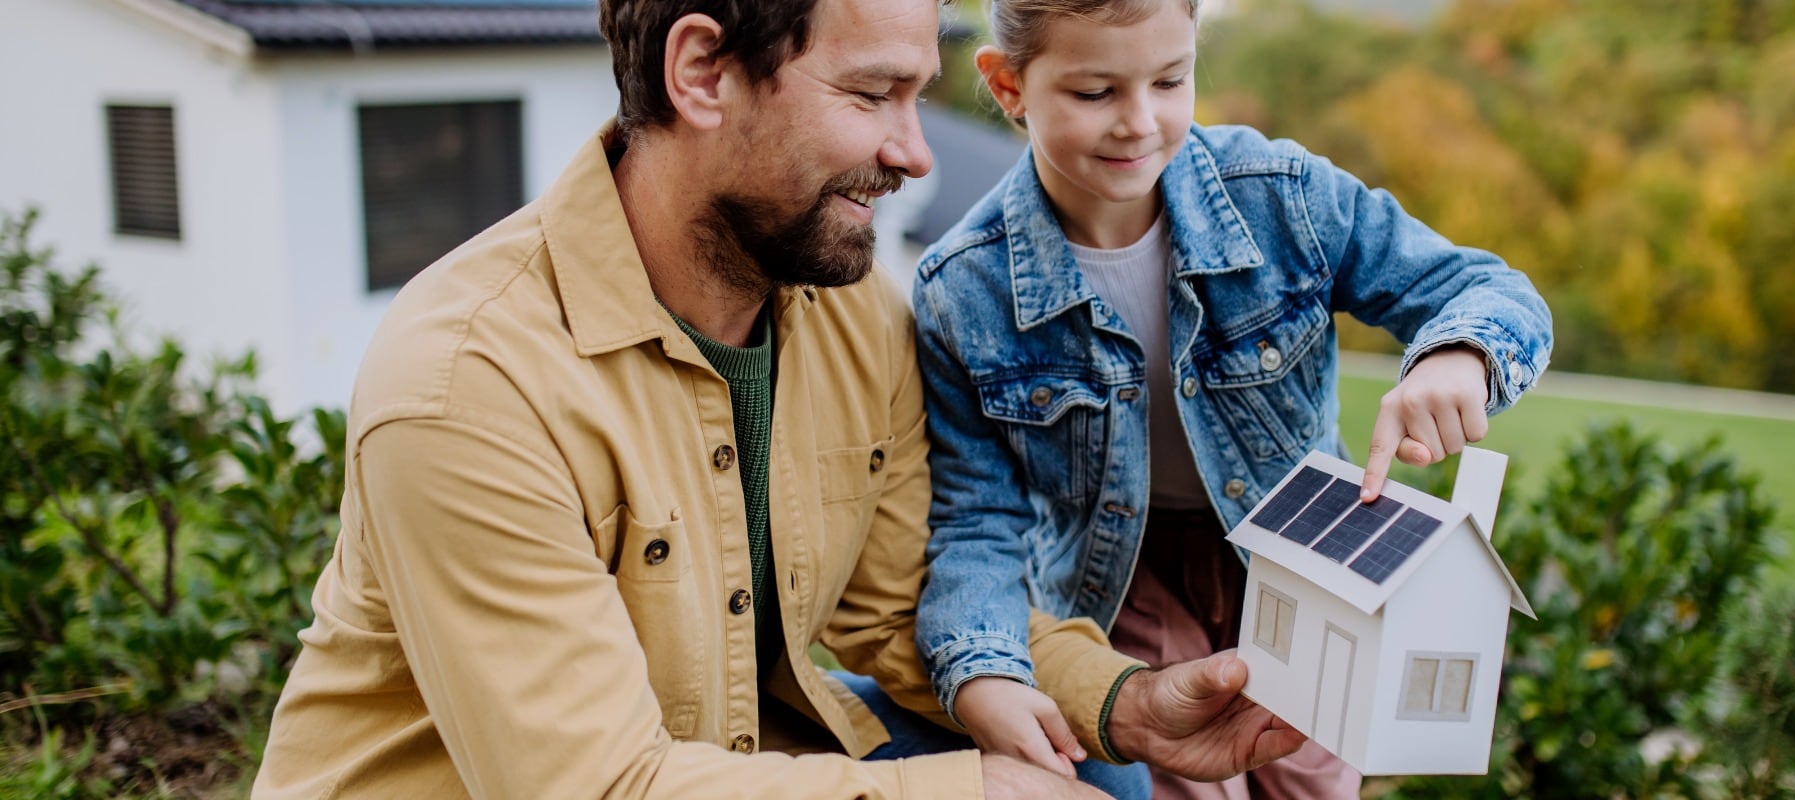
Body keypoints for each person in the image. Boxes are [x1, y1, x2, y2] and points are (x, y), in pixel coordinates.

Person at [251, 0, 1311, 797]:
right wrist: (954, 791)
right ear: (703, 70)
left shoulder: (845, 309)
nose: (914, 153)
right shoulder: (469, 384)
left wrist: (1124, 700)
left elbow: (905, 606)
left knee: (1090, 764)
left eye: (919, 97)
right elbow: (594, 785)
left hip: (732, 752)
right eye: (871, 97)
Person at [910, 0, 1555, 798]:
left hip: (1302, 559)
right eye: (1095, 93)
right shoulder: (963, 289)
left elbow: (1484, 287)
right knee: (1189, 773)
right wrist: (984, 670)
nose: (1139, 122)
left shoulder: (1281, 196)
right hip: (1122, 583)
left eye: (1170, 80)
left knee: (1314, 779)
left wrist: (1459, 355)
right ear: (1009, 86)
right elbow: (976, 519)